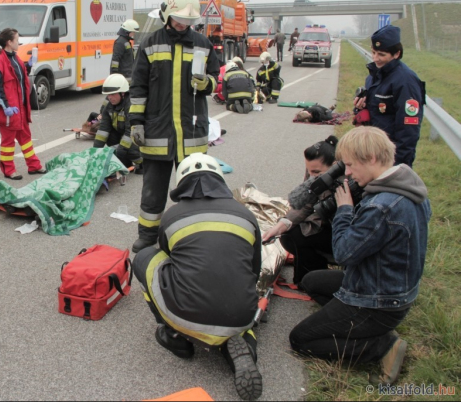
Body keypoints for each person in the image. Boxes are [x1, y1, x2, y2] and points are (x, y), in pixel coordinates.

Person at [289, 127, 431, 385]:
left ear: (372, 158)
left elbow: (344, 253)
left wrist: (344, 210)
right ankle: (360, 328)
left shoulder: (381, 206)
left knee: (300, 339)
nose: (349, 173)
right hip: (391, 287)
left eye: (352, 165)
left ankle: (381, 346)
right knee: (311, 281)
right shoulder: (409, 187)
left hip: (377, 300)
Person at [133, 153, 262, 401]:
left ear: (182, 182)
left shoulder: (172, 215)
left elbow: (169, 261)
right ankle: (242, 341)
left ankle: (175, 335)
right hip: (242, 313)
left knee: (146, 257)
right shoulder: (245, 214)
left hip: (186, 314)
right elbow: (254, 270)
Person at [129, 0, 220, 253]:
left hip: (191, 133)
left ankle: (192, 235)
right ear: (168, 15)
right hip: (157, 130)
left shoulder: (203, 44)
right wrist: (135, 122)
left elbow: (216, 80)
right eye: (180, 21)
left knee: (195, 190)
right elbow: (138, 87)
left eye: (188, 22)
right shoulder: (150, 43)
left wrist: (206, 83)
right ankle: (148, 235)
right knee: (153, 190)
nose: (184, 26)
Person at [261, 136, 339, 285]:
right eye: (309, 171)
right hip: (330, 226)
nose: (311, 177)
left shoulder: (348, 181)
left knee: (299, 234)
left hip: (343, 230)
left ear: (335, 166)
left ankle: (316, 280)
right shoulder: (315, 175)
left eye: (316, 172)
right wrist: (280, 226)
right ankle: (311, 276)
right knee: (288, 234)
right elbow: (305, 205)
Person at [353, 25, 425, 167]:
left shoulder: (406, 81)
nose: (375, 58)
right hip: (371, 152)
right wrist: (360, 108)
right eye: (373, 53)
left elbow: (409, 130)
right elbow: (374, 112)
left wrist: (399, 165)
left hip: (391, 157)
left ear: (396, 54)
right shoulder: (373, 76)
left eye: (381, 55)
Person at [0, 28, 47, 179]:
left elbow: (19, 75)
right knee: (8, 143)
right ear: (9, 42)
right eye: (17, 40)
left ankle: (34, 166)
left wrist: (29, 65)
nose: (19, 43)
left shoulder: (15, 58)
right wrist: (5, 107)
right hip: (9, 110)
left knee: (26, 139)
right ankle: (8, 170)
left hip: (20, 109)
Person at [93, 73, 142, 172]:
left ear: (123, 93)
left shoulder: (131, 105)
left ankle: (142, 163)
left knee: (128, 146)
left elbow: (130, 132)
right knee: (109, 136)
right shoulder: (109, 106)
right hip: (123, 134)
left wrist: (120, 150)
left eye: (113, 94)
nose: (110, 97)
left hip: (137, 138)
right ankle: (125, 162)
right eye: (108, 95)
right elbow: (103, 130)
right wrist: (95, 153)